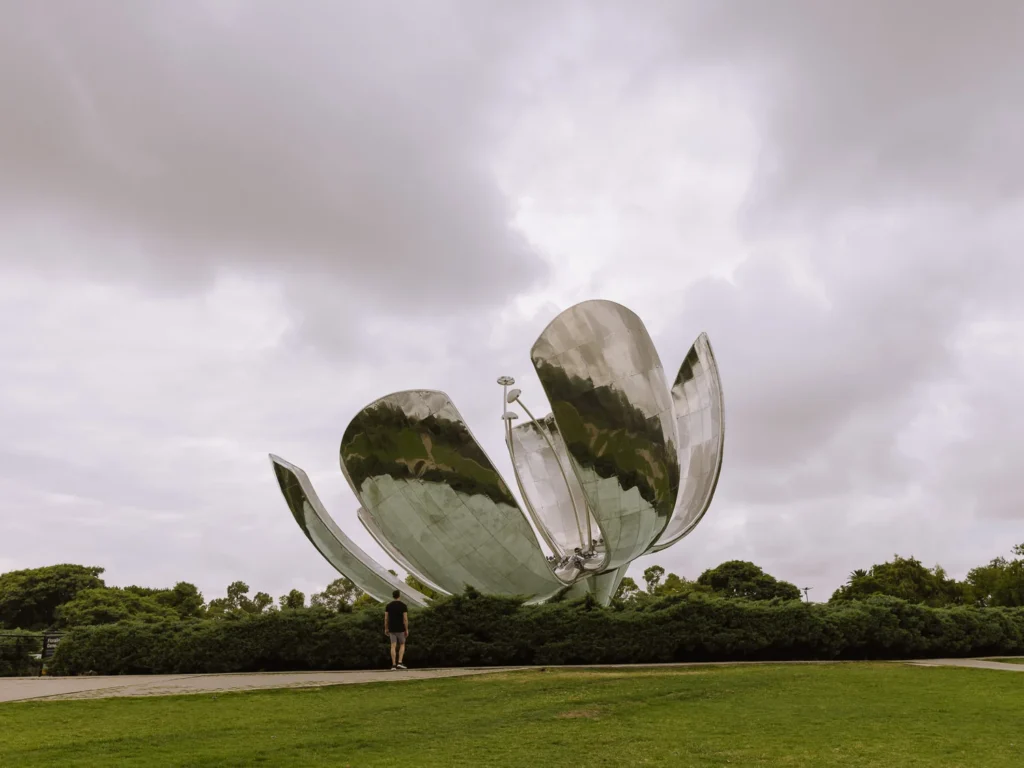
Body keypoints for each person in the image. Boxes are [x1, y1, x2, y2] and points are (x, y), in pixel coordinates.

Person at [384, 589, 409, 670]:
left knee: (393, 646)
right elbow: (405, 619)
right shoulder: (403, 606)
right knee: (402, 644)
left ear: (393, 596)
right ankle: (400, 662)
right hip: (400, 629)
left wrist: (386, 628)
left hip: (392, 628)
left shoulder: (388, 606)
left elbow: (386, 618)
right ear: (399, 596)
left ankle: (393, 665)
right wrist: (406, 629)